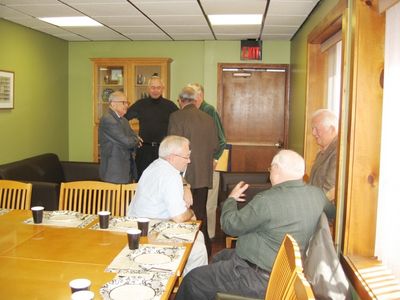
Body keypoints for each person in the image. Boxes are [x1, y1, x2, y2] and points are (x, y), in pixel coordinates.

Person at [175, 149, 336, 300]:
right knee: (220, 256)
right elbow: (332, 215)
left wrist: (231, 200)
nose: (270, 172)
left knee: (193, 280)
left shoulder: (267, 200)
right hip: (280, 270)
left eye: (270, 168)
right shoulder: (317, 195)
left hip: (256, 276)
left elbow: (230, 226)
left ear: (277, 169)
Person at [127, 135, 208, 275]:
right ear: (172, 157)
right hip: (150, 230)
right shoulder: (170, 176)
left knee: (198, 236)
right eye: (186, 157)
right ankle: (193, 286)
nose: (189, 161)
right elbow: (179, 217)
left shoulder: (155, 165)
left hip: (136, 225)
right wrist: (192, 213)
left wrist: (185, 186)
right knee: (198, 250)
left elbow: (176, 177)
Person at [168, 86, 218, 256]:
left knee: (183, 215)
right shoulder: (208, 118)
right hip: (204, 175)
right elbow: (215, 145)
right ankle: (204, 252)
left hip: (184, 177)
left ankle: (183, 254)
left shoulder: (176, 117)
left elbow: (171, 147)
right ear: (195, 100)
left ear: (181, 101)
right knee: (201, 214)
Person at [188, 83, 226, 240]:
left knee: (209, 203)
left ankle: (208, 235)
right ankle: (194, 233)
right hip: (194, 166)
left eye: (192, 97)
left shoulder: (209, 110)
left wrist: (215, 158)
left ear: (200, 96)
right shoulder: (190, 113)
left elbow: (221, 140)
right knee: (193, 202)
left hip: (209, 165)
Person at [125, 76, 178, 178]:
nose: (155, 90)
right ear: (148, 88)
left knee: (162, 181)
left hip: (163, 151)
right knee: (142, 180)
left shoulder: (170, 106)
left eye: (158, 87)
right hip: (144, 150)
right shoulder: (140, 104)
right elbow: (123, 118)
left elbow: (179, 123)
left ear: (162, 88)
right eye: (153, 87)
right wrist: (132, 135)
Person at [98, 91, 140, 183]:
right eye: (123, 102)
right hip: (113, 172)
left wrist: (134, 139)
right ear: (113, 104)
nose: (127, 105)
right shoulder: (108, 119)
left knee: (126, 198)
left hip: (126, 170)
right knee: (112, 198)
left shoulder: (124, 120)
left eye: (127, 103)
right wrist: (136, 140)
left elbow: (133, 136)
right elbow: (127, 142)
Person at [309, 109, 338, 201]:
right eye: (312, 129)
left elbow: (329, 191)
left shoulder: (338, 153)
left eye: (317, 128)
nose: (313, 133)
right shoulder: (323, 149)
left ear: (332, 129)